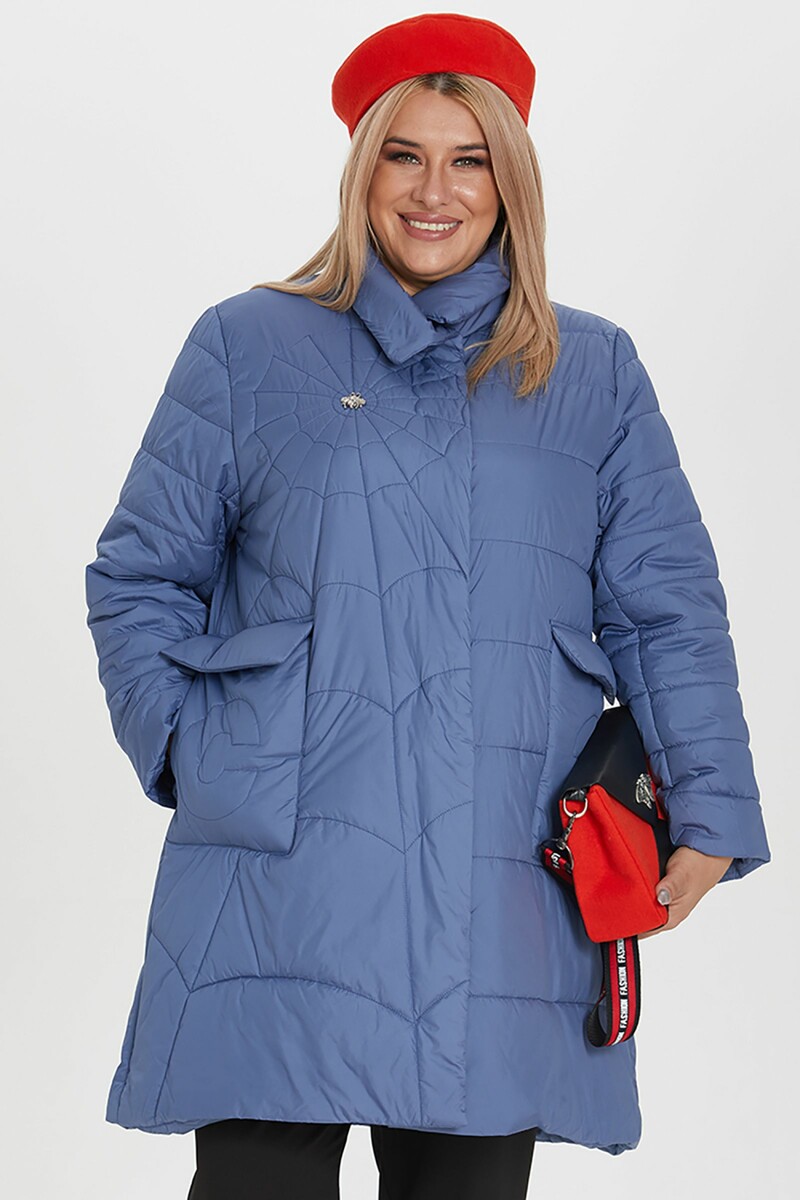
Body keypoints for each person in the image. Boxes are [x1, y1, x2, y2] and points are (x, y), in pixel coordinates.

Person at [84, 12, 771, 1199]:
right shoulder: (249, 343)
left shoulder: (589, 369)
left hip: (499, 859)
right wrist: (197, 751)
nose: (433, 192)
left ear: (511, 181)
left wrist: (710, 804)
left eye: (469, 160)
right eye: (403, 155)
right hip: (283, 862)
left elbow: (664, 608)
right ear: (362, 169)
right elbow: (141, 574)